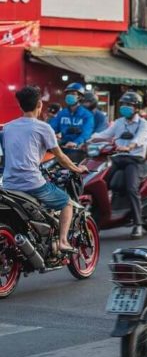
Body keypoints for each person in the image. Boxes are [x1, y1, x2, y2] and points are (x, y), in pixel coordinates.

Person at [2, 86, 88, 252]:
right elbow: (61, 157)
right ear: (40, 104)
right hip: (32, 184)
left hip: (9, 185)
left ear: (20, 106)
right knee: (66, 203)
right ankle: (63, 241)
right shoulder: (43, 127)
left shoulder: (8, 128)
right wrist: (77, 169)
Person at [89, 91, 147, 237]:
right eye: (123, 104)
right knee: (99, 183)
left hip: (134, 160)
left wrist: (129, 146)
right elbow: (104, 134)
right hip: (117, 158)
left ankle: (138, 224)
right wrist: (88, 140)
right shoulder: (119, 122)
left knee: (131, 188)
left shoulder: (143, 123)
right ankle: (97, 219)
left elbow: (141, 138)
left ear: (136, 107)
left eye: (129, 105)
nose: (125, 107)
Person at [49, 82, 94, 155]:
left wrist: (76, 142)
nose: (69, 96)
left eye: (73, 94)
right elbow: (51, 128)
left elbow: (86, 133)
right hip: (62, 148)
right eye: (68, 94)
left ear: (80, 97)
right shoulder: (61, 113)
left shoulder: (87, 115)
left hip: (78, 149)